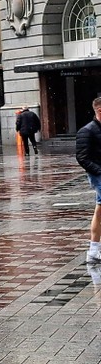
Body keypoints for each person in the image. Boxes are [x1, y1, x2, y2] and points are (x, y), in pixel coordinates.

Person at [77, 98, 101, 265]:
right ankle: (93, 250)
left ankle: (93, 250)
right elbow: (82, 157)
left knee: (99, 210)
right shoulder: (87, 131)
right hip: (98, 175)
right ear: (99, 111)